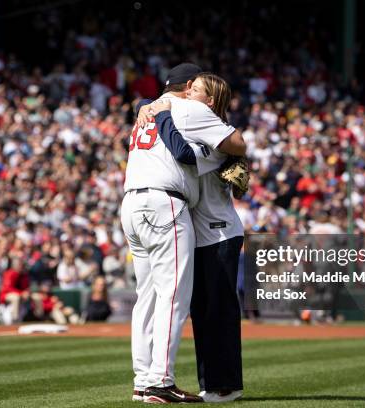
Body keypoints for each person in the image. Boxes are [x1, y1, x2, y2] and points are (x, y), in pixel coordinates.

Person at [121, 63, 245, 404]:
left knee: (145, 297)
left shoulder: (148, 110)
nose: (194, 94)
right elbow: (198, 152)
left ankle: (143, 380)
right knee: (173, 297)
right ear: (188, 85)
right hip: (164, 204)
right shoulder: (187, 108)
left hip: (131, 203)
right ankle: (160, 381)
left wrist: (147, 108)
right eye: (194, 86)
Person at [0, 258, 30, 324]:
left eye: (22, 265)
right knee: (16, 298)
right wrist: (21, 293)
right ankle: (15, 318)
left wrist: (26, 292)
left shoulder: (24, 274)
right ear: (14, 266)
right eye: (20, 265)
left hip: (19, 295)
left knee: (35, 297)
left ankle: (38, 316)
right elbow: (8, 288)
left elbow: (26, 287)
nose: (21, 266)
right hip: (5, 295)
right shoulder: (10, 273)